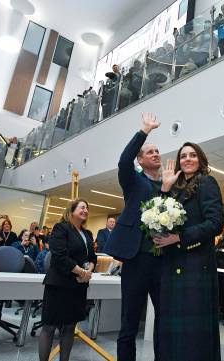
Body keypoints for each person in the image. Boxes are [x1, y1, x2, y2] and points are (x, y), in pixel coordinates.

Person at [154, 142, 224, 361]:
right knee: (171, 326)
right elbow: (158, 219)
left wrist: (180, 237)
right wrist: (164, 188)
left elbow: (215, 223)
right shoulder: (174, 187)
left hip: (196, 265)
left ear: (200, 159)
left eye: (192, 155)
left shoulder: (207, 182)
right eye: (183, 156)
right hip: (172, 263)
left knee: (194, 333)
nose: (187, 159)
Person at [104, 112, 163, 361]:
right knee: (129, 323)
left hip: (162, 261)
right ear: (141, 159)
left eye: (158, 151)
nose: (156, 154)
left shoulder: (167, 185)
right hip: (136, 259)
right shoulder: (132, 181)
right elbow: (124, 159)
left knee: (164, 320)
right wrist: (144, 132)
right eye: (150, 152)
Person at [38, 199, 96, 361]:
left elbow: (92, 257)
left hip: (78, 286)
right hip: (59, 284)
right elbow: (59, 256)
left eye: (87, 208)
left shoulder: (88, 234)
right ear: (71, 210)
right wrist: (80, 272)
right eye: (82, 207)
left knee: (70, 327)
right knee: (50, 327)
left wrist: (88, 271)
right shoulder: (61, 228)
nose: (85, 210)